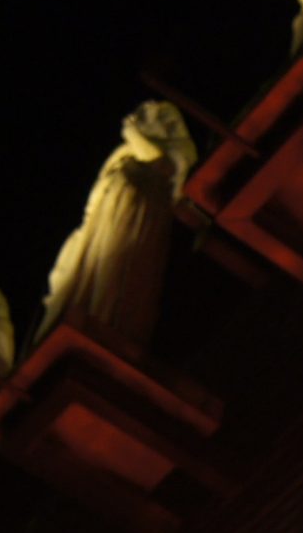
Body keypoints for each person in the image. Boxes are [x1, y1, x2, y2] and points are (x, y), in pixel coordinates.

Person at [33, 101, 198, 351]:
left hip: (135, 220)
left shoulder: (177, 149)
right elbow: (95, 198)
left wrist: (135, 138)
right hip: (101, 230)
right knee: (87, 282)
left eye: (146, 118)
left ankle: (105, 332)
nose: (138, 120)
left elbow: (168, 167)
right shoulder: (123, 154)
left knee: (115, 282)